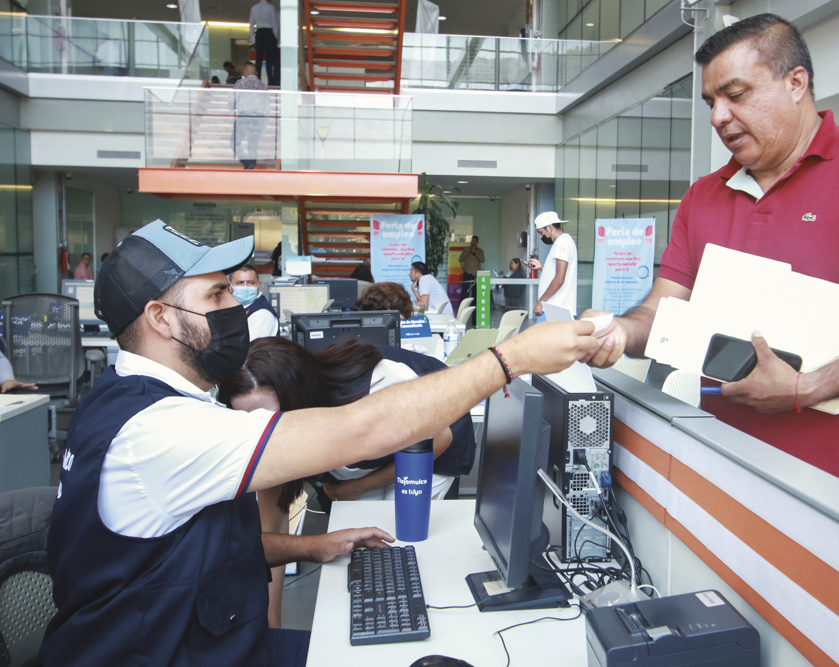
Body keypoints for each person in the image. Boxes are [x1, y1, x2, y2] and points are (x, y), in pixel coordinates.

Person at [41, 219, 598, 666]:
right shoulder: (159, 431)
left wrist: (314, 546)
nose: (234, 306)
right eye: (215, 295)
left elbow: (188, 553)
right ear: (161, 318)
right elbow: (365, 429)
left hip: (201, 639)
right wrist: (512, 358)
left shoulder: (126, 402)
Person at [582, 14, 839, 509]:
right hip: (724, 481)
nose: (719, 116)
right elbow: (662, 311)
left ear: (796, 83)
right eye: (711, 102)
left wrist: (805, 388)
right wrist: (618, 331)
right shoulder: (705, 196)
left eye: (736, 94)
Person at [218, 336, 474, 628]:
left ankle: (423, 620)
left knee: (402, 537)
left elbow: (439, 438)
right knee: (363, 545)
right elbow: (273, 529)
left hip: (426, 449)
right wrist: (272, 634)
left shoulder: (379, 384)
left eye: (272, 420)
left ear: (299, 399)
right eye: (250, 423)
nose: (263, 433)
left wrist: (354, 487)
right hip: (362, 456)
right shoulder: (263, 432)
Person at [526, 211, 578, 318]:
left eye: (541, 232)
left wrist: (540, 302)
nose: (541, 237)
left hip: (554, 310)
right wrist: (541, 267)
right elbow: (560, 273)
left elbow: (559, 279)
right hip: (556, 310)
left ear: (549, 227)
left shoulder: (562, 243)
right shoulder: (563, 242)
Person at [228, 62, 268, 170]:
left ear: (244, 72)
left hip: (244, 117)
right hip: (258, 118)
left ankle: (246, 162)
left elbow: (231, 100)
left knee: (234, 143)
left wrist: (231, 109)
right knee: (252, 144)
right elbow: (267, 107)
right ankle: (250, 165)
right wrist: (265, 123)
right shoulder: (263, 86)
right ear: (256, 73)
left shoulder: (240, 83)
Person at [229, 264, 279, 340]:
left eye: (250, 282)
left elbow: (249, 349)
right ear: (230, 286)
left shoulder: (262, 314)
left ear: (258, 285)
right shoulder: (234, 308)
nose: (245, 287)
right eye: (240, 283)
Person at [249, 0, 280, 87]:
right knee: (269, 59)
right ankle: (270, 81)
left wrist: (253, 37)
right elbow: (274, 23)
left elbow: (251, 24)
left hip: (259, 33)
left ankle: (257, 79)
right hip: (269, 33)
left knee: (258, 58)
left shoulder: (254, 8)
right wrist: (276, 36)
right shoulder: (271, 7)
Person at [459, 235, 485, 300]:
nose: (473, 242)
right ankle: (463, 305)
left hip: (476, 273)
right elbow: (460, 259)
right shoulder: (466, 249)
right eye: (472, 240)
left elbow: (483, 260)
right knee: (465, 289)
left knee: (475, 289)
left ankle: (474, 305)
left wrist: (475, 253)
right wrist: (467, 252)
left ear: (477, 242)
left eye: (474, 241)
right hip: (467, 271)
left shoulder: (480, 251)